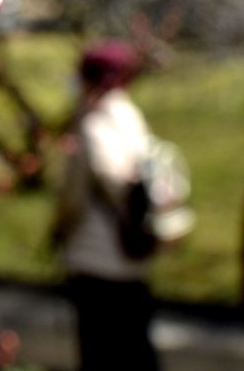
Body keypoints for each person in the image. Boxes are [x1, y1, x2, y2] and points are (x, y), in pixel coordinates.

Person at [54, 40, 191, 371]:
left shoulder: (94, 124)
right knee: (134, 344)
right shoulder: (129, 113)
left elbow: (76, 193)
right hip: (132, 249)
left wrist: (59, 229)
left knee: (100, 349)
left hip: (97, 254)